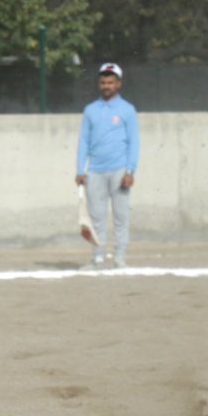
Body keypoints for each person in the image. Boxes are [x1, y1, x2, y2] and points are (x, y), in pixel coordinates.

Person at [75, 62, 139, 269]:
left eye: (110, 82)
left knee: (121, 216)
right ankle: (97, 258)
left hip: (120, 170)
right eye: (103, 82)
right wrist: (79, 170)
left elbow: (133, 142)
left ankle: (120, 257)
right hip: (95, 171)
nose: (106, 86)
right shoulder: (90, 110)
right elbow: (83, 141)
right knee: (96, 217)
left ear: (118, 84)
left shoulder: (127, 110)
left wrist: (130, 170)